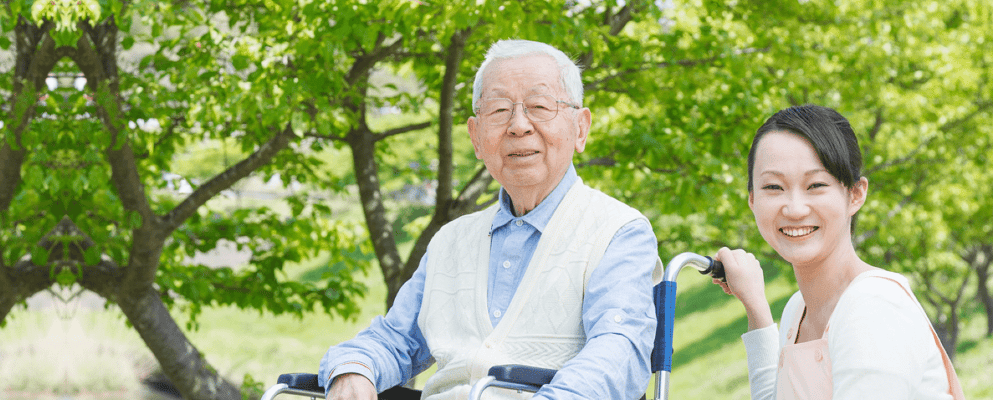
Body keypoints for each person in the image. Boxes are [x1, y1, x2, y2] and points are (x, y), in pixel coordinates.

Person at [319, 39, 662, 400]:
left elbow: (617, 352)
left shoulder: (618, 232)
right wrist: (353, 369)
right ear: (476, 137)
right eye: (499, 110)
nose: (518, 126)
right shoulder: (450, 241)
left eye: (539, 106)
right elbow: (394, 340)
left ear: (580, 128)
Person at [712, 105, 965, 399]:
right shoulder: (798, 309)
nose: (794, 208)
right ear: (753, 199)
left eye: (815, 185)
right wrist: (754, 302)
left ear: (855, 194)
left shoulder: (873, 308)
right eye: (774, 186)